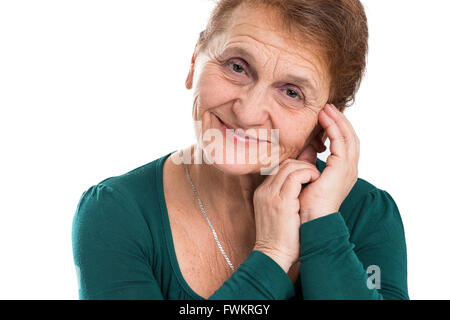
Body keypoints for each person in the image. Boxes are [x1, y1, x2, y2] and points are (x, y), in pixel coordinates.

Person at [72, 0, 409, 300]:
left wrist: (320, 222)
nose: (247, 113)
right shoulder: (117, 212)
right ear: (194, 62)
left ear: (325, 125)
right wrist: (272, 255)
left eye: (291, 92)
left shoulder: (367, 213)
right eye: (237, 66)